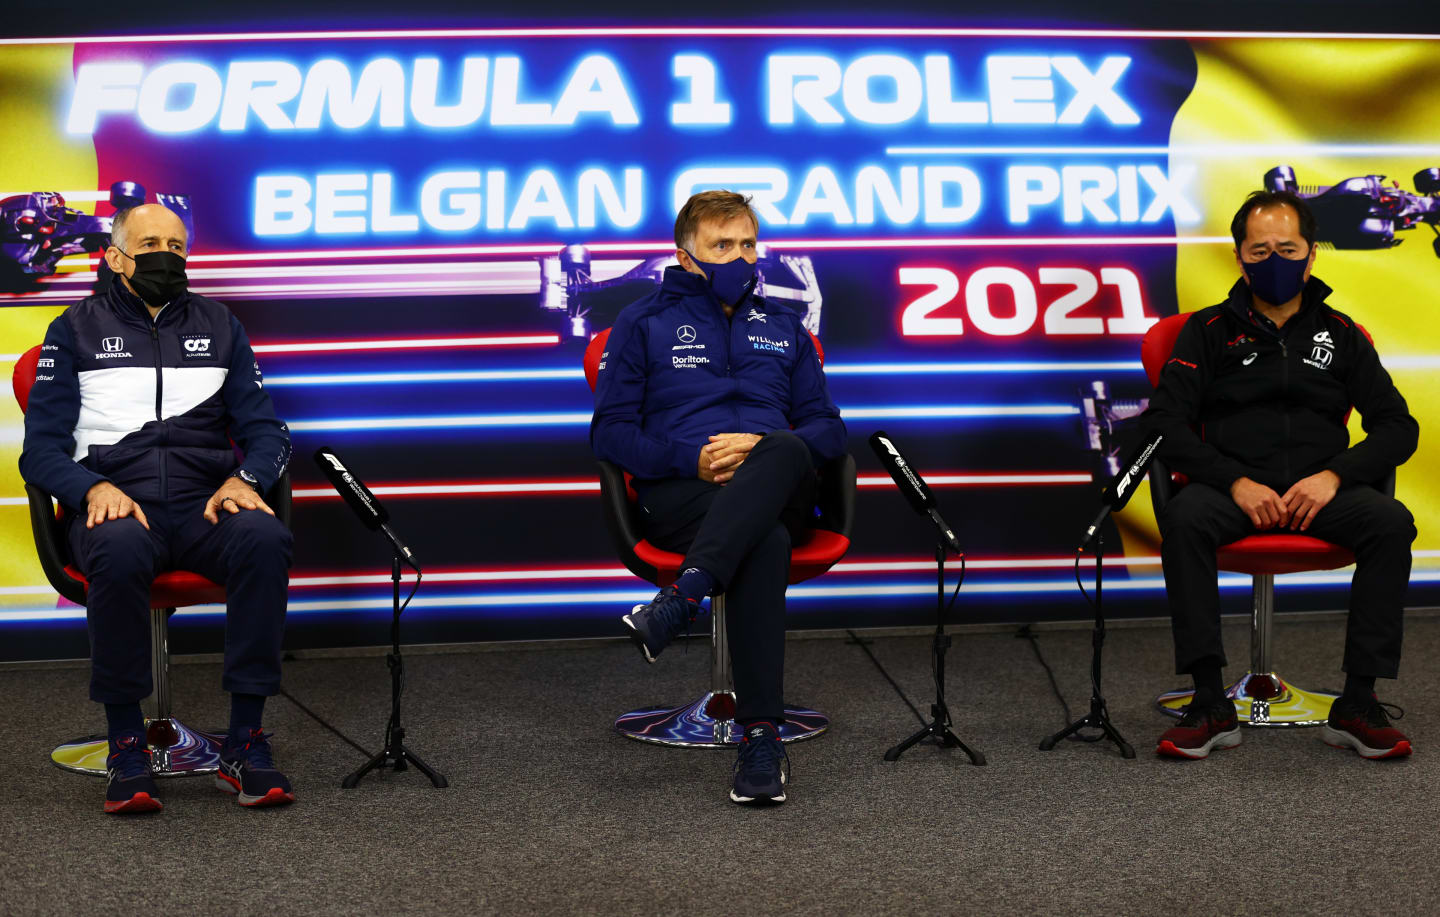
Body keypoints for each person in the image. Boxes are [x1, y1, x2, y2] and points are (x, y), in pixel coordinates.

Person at [20, 204, 296, 813]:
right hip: (119, 507)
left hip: (205, 510)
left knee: (264, 538)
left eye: (176, 245)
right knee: (116, 548)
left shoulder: (222, 325)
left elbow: (269, 432)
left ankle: (244, 739)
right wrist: (90, 488)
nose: (165, 255)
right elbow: (38, 452)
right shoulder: (73, 329)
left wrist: (246, 478)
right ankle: (125, 741)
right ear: (116, 257)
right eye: (150, 243)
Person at [590, 190, 846, 804]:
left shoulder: (786, 325)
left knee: (781, 449)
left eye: (748, 244)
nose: (740, 257)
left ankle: (681, 599)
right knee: (768, 541)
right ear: (686, 254)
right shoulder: (642, 323)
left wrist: (760, 446)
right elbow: (612, 432)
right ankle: (762, 737)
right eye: (722, 245)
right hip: (687, 494)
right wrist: (692, 460)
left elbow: (829, 429)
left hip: (782, 484)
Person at [1144, 189, 1419, 760]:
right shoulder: (1207, 330)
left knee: (1391, 523)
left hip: (1320, 491)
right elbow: (1165, 424)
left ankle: (1358, 703)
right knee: (1184, 519)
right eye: (1260, 248)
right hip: (1230, 491)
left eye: (1287, 248)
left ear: (1312, 254)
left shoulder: (1342, 334)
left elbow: (1398, 427)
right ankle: (1209, 704)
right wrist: (1234, 482)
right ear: (1240, 255)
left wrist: (1336, 476)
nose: (1275, 260)